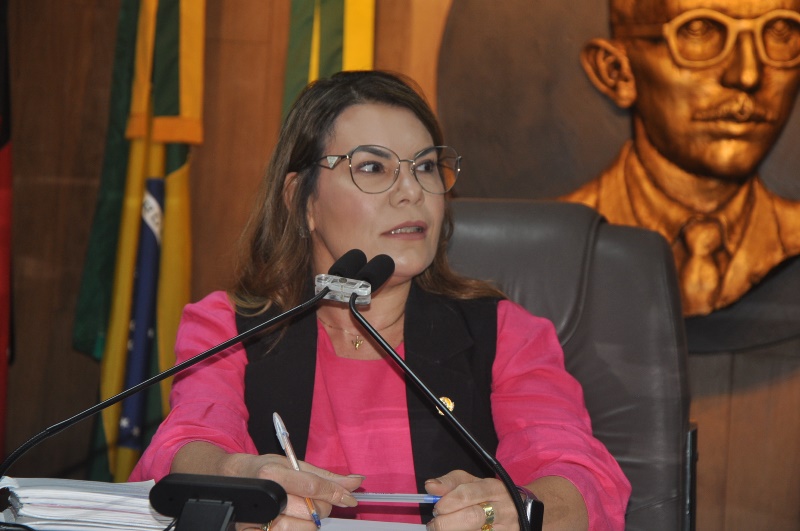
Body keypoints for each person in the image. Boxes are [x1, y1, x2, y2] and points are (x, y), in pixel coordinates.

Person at [130, 70, 630, 531]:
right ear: (302, 201)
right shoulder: (231, 326)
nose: (412, 191)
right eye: (373, 167)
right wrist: (239, 480)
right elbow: (187, 444)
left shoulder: (503, 333)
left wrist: (522, 509)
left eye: (426, 167)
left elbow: (578, 474)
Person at [560, 0, 800, 316]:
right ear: (617, 72)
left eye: (781, 32)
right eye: (699, 30)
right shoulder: (556, 245)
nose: (747, 75)